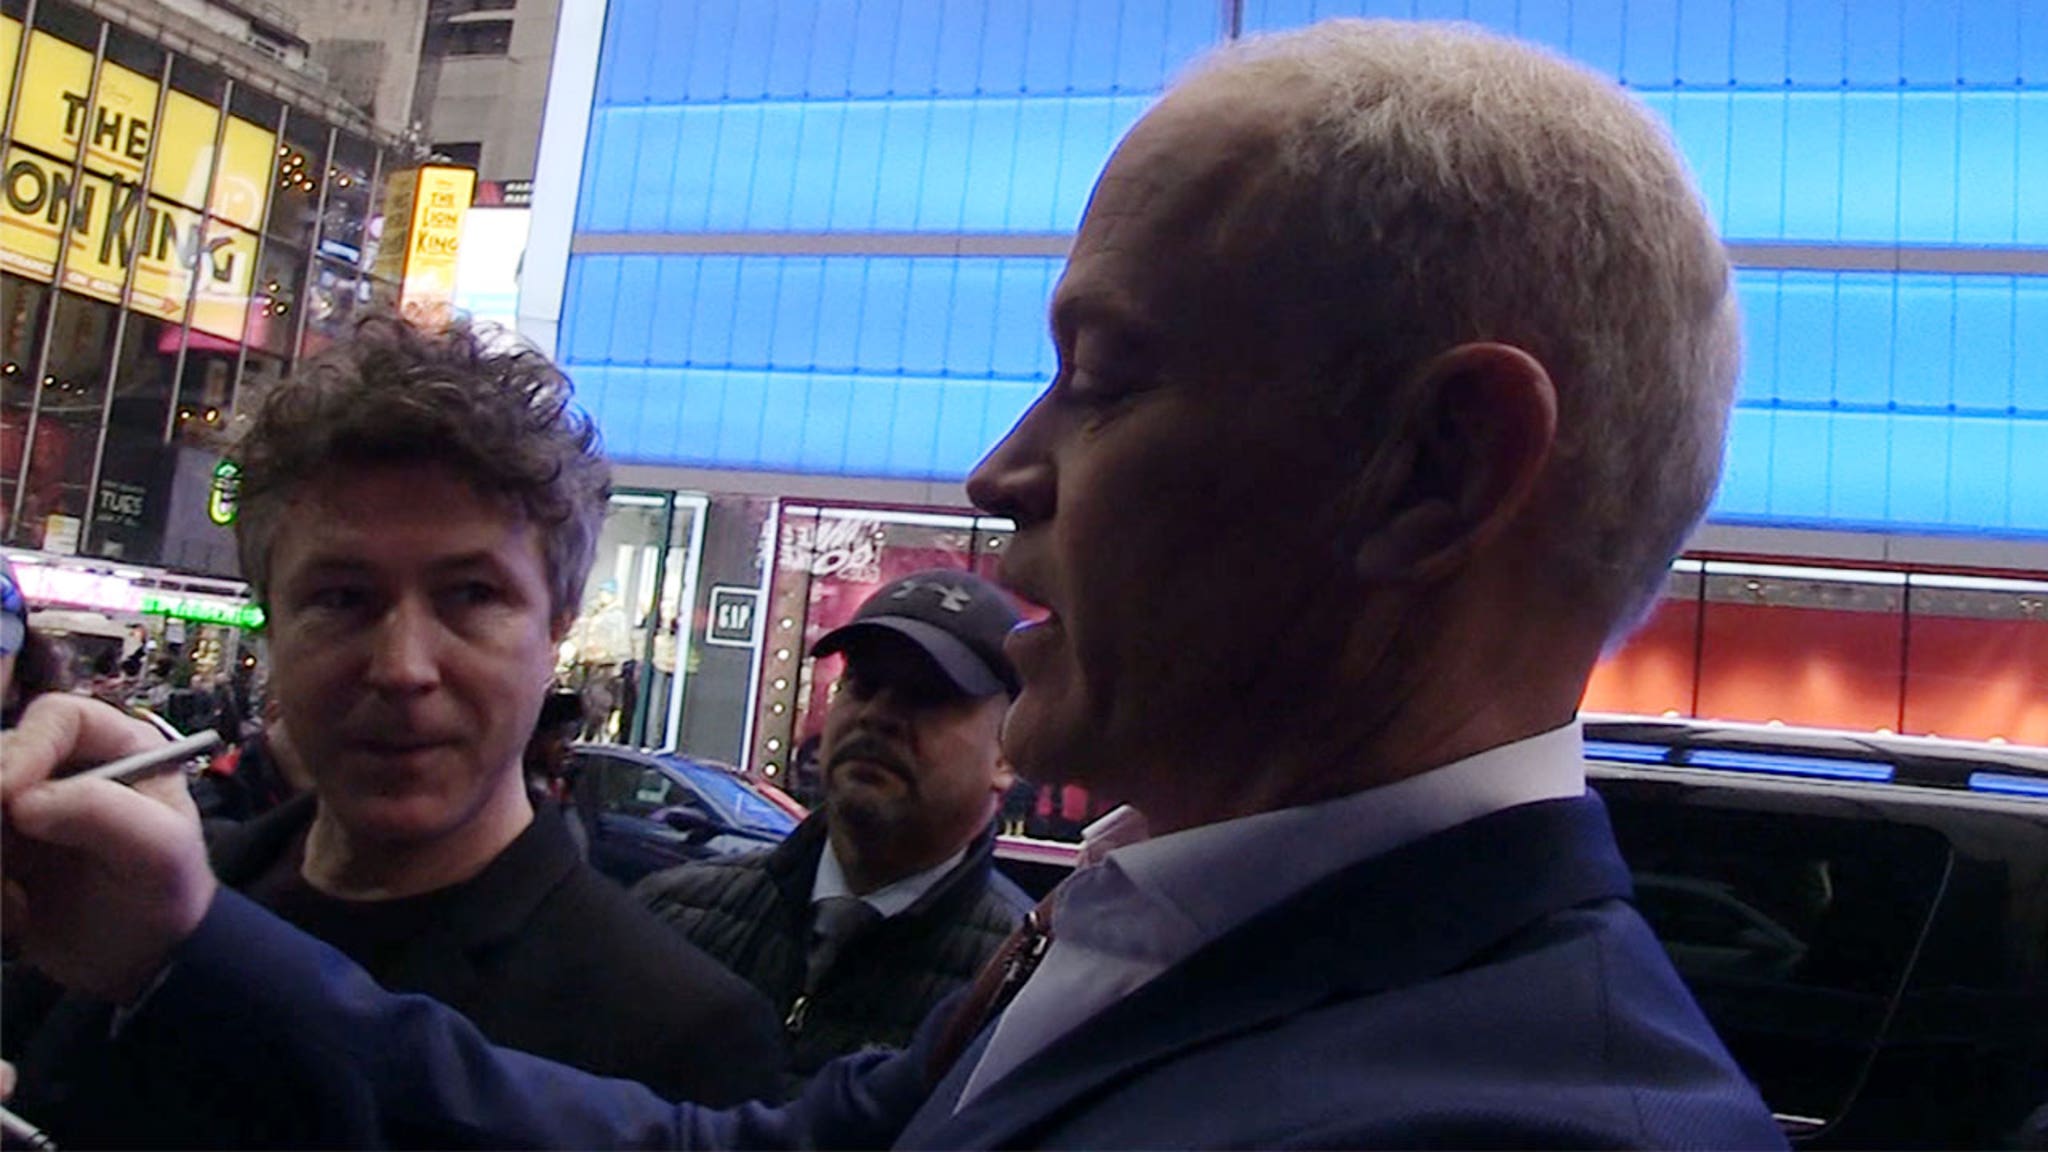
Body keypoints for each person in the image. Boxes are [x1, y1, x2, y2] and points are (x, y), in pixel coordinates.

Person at [1, 20, 1786, 1149]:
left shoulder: (1523, 1118)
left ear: (1435, 469)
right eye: (337, 598)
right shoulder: (1144, 930)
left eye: (1106, 377)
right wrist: (179, 940)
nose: (1001, 471)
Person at [1, 315, 785, 1145]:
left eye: (472, 595)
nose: (403, 667)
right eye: (343, 598)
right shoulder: (123, 904)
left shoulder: (680, 1033)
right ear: (272, 621)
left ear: (555, 629)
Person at [634, 570, 1031, 1092]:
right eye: (862, 684)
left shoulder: (1020, 996)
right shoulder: (670, 917)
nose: (877, 715)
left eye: (927, 696)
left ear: (1007, 754)